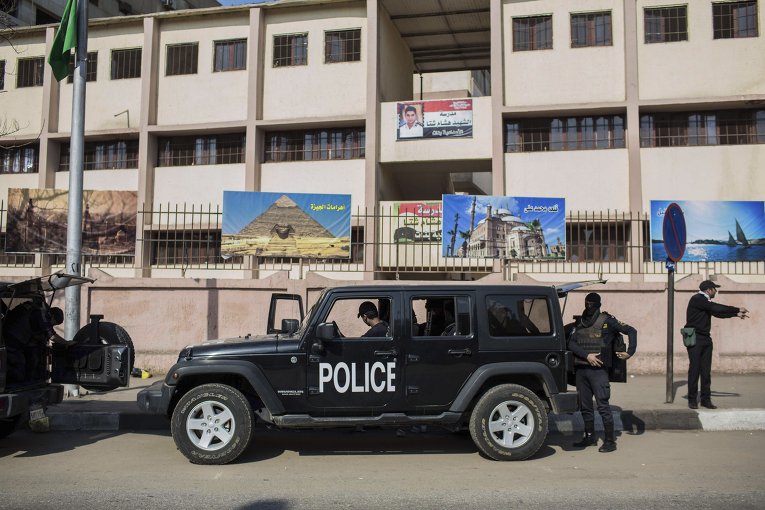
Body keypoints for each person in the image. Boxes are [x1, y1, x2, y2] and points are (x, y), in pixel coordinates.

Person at [567, 292, 637, 453]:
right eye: (586, 303)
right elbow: (571, 343)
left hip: (598, 371)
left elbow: (631, 331)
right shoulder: (580, 322)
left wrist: (630, 352)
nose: (588, 306)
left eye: (591, 304)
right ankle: (589, 437)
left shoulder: (608, 321)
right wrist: (587, 356)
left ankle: (610, 441)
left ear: (598, 304)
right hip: (581, 369)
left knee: (603, 406)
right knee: (585, 406)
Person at [684, 280, 749, 409]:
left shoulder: (705, 302)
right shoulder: (697, 299)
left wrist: (735, 314)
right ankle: (692, 400)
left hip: (706, 339)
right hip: (695, 338)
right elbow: (716, 308)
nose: (716, 291)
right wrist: (737, 308)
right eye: (715, 289)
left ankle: (705, 400)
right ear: (709, 290)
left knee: (706, 371)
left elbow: (717, 313)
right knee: (695, 369)